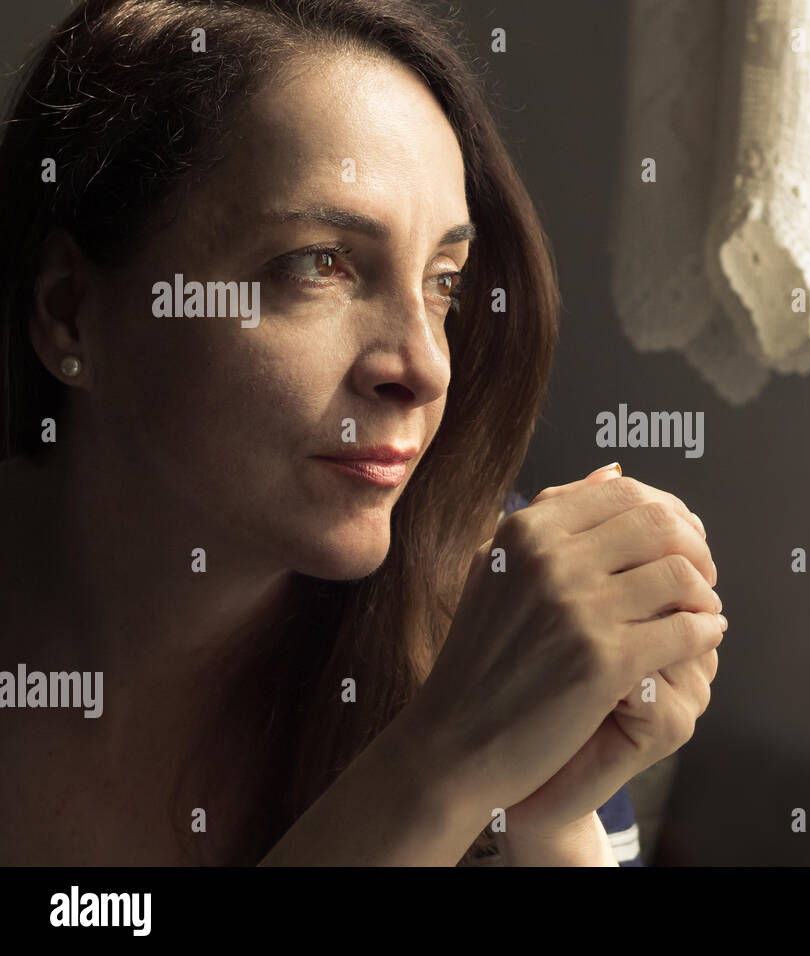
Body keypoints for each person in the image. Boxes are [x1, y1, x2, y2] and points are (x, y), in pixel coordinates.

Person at [0, 0, 724, 866]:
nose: (424, 367)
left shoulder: (503, 618)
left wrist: (535, 818)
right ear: (70, 312)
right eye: (320, 264)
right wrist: (439, 767)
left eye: (445, 282)